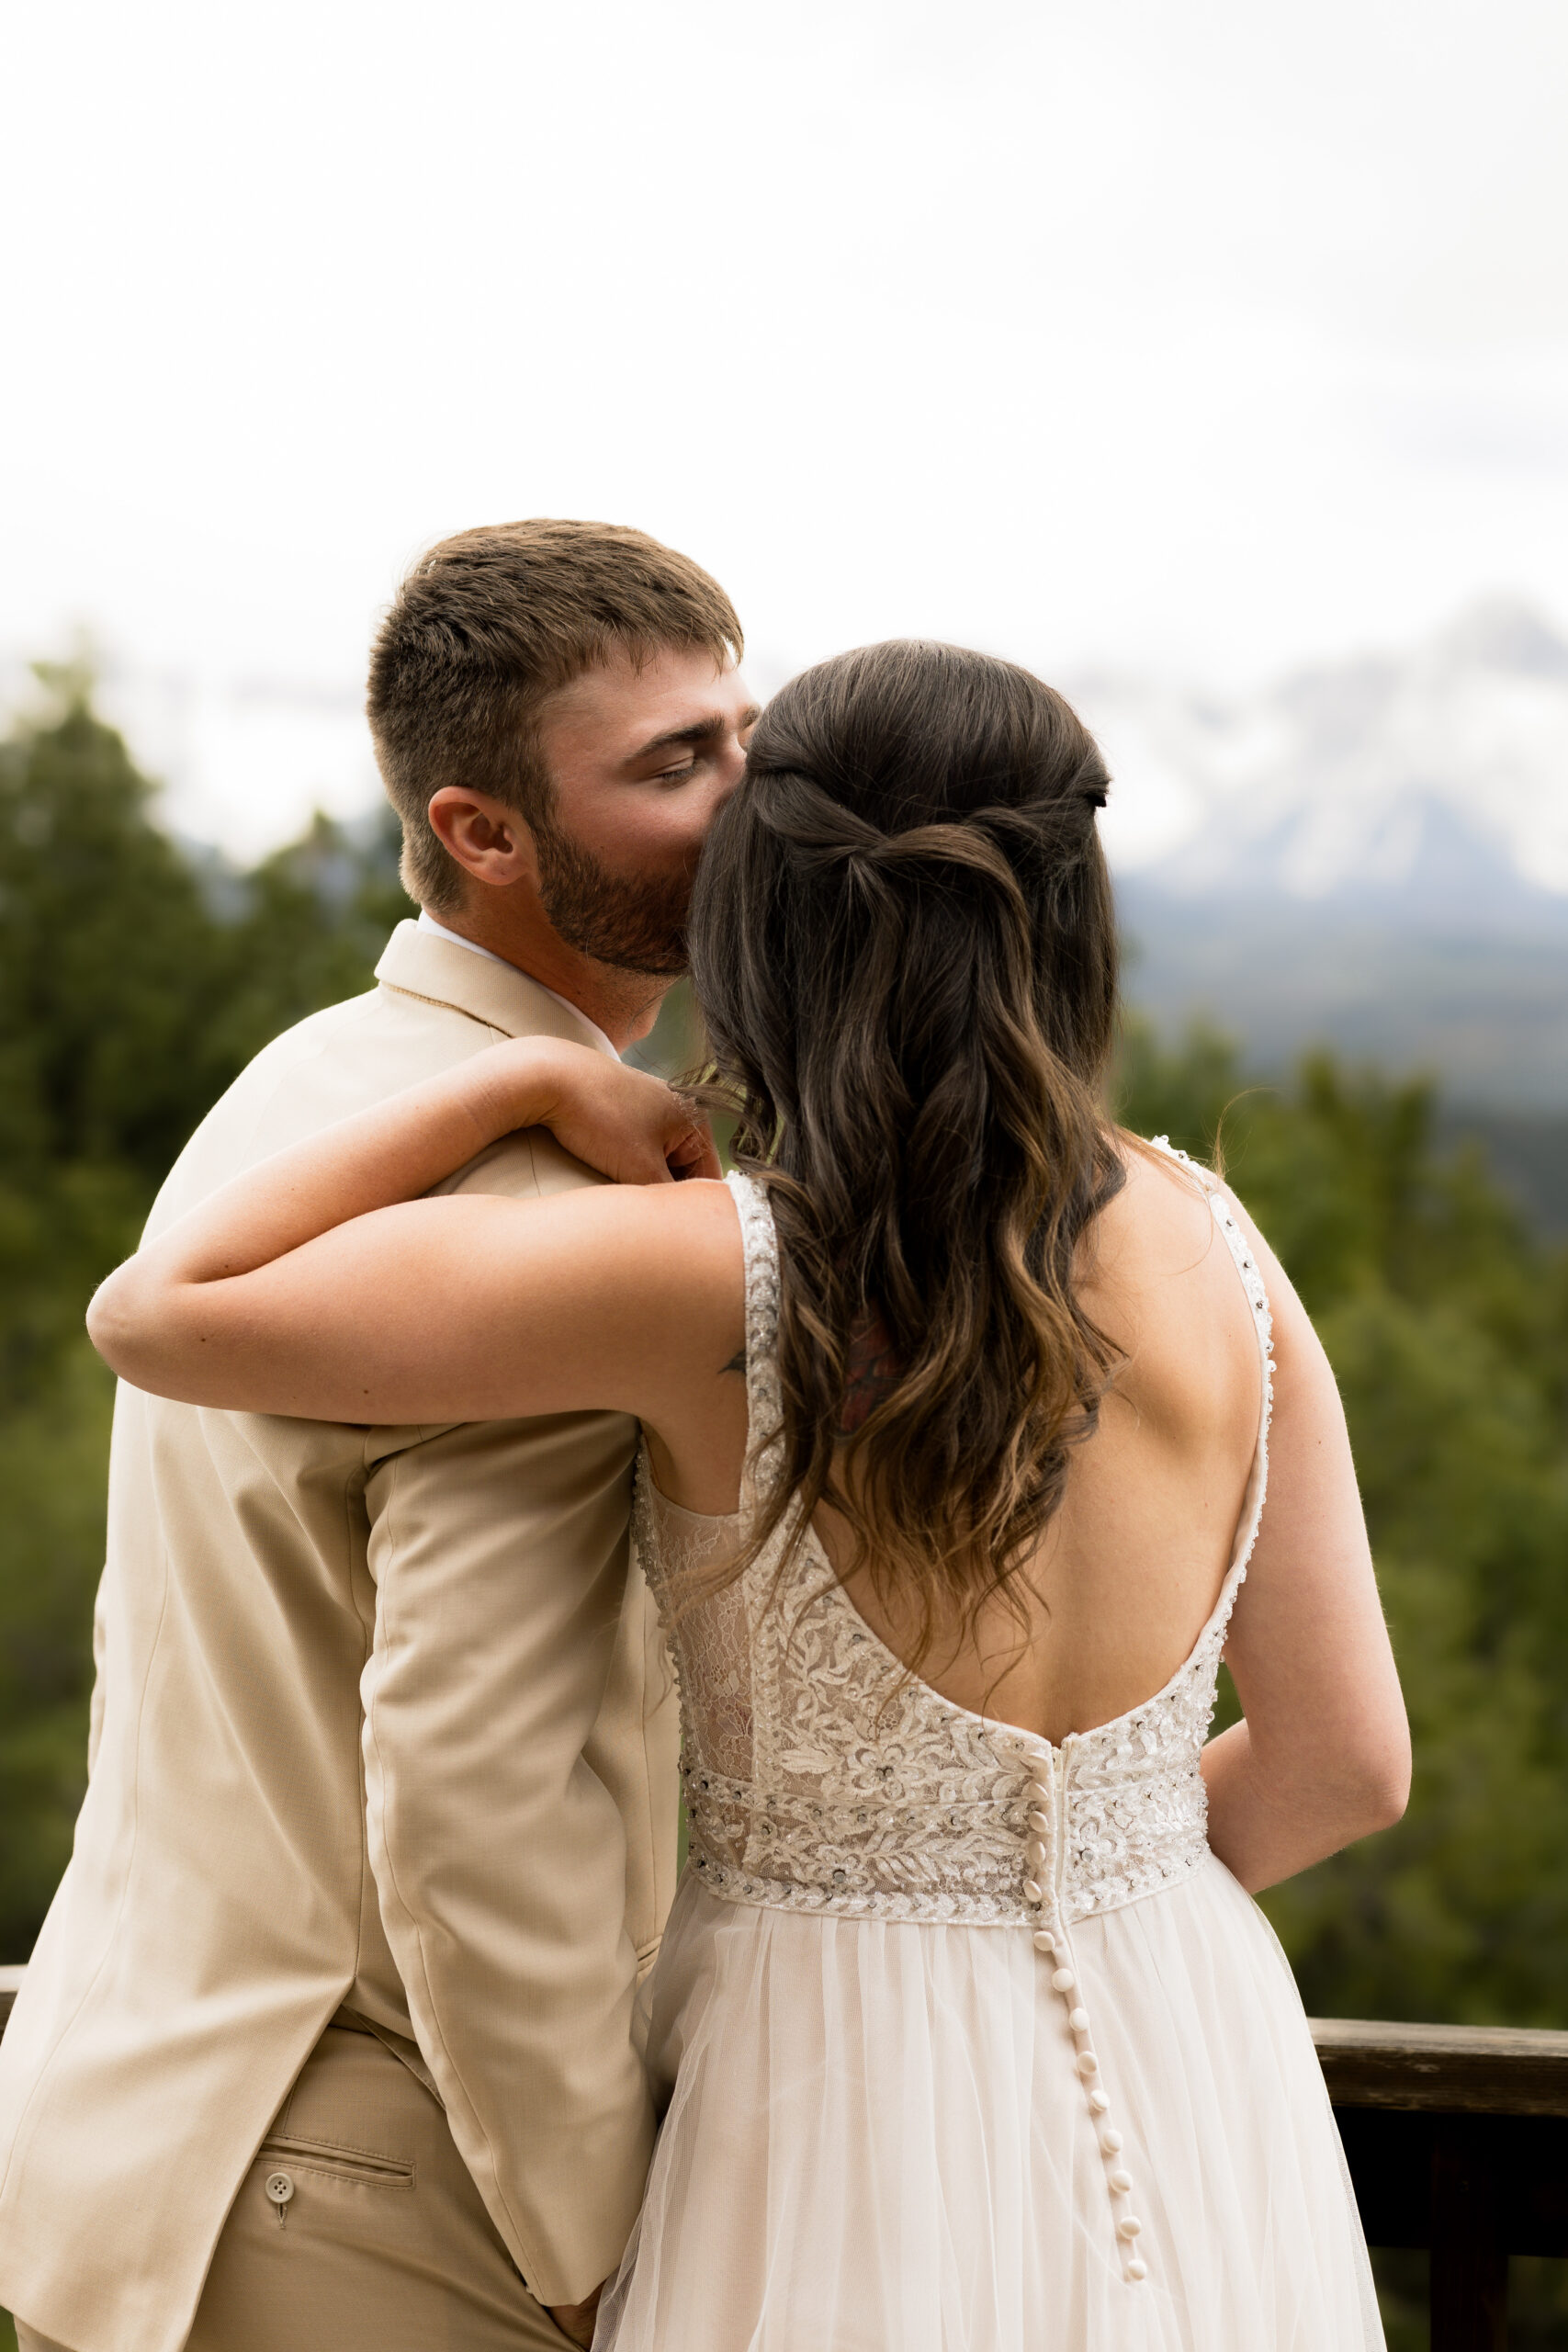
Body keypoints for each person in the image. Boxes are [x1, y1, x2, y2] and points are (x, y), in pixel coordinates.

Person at [85, 640, 1410, 2349]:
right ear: (1077, 914)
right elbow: (1349, 1766)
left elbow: (162, 1310)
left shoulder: (714, 1278)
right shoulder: (1227, 1249)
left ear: (767, 924)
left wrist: (518, 1077)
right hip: (1195, 2044)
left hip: (836, 2079)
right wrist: (1080, 1884)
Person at [0, 518, 757, 2352]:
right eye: (676, 764)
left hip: (136, 2136)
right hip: (376, 2194)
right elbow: (471, 1791)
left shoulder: (305, 1089)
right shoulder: (529, 1194)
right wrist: (581, 2248)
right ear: (480, 830)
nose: (752, 802)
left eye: (747, 734)